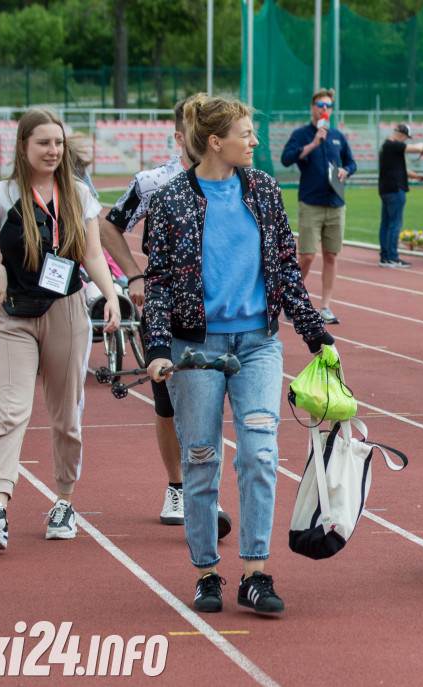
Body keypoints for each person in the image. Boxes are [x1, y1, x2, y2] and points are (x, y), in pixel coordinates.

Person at [143, 94, 334, 615]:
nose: (255, 142)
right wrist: (158, 349)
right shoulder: (170, 200)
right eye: (246, 134)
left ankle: (255, 572)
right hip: (194, 348)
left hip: (257, 344)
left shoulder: (265, 191)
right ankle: (207, 573)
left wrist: (317, 334)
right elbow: (157, 283)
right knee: (201, 458)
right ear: (215, 141)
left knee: (260, 454)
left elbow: (287, 273)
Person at [0, 108, 122, 550]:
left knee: (65, 415)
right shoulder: (2, 196)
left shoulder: (77, 195)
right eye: (43, 143)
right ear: (24, 146)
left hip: (66, 309)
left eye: (58, 142)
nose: (53, 150)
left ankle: (63, 500)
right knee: (11, 410)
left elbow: (93, 254)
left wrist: (110, 295)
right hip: (13, 314)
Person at [98, 97, 233, 536]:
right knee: (170, 403)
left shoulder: (238, 179)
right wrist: (134, 276)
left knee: (217, 404)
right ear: (181, 137)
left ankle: (205, 491)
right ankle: (179, 487)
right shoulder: (154, 182)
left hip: (225, 313)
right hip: (169, 307)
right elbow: (108, 225)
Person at [280, 88, 356, 324]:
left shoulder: (337, 136)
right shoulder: (302, 134)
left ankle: (326, 306)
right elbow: (286, 159)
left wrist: (346, 170)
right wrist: (313, 144)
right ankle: (292, 300)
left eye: (328, 106)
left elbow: (351, 163)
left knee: (331, 255)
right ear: (312, 108)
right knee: (307, 256)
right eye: (321, 105)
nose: (325, 109)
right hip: (311, 202)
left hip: (335, 202)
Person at [377, 122, 423, 267]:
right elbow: (417, 148)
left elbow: (398, 168)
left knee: (386, 223)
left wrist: (415, 176)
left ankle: (385, 256)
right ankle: (392, 256)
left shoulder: (387, 147)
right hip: (394, 189)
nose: (405, 141)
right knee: (395, 224)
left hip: (386, 189)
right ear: (402, 134)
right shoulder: (393, 145)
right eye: (405, 138)